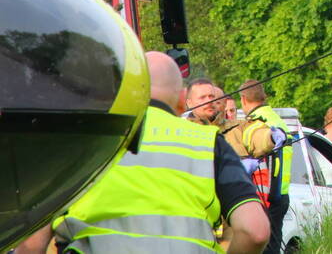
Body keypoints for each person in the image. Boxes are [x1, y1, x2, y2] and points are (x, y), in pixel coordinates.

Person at [15, 52, 269, 254]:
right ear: (183, 100)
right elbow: (254, 231)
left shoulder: (83, 140)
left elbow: (32, 245)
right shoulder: (209, 143)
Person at [240, 79, 291, 254]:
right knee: (274, 246)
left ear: (243, 99)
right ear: (264, 96)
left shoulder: (257, 122)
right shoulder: (276, 119)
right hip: (281, 193)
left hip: (265, 195)